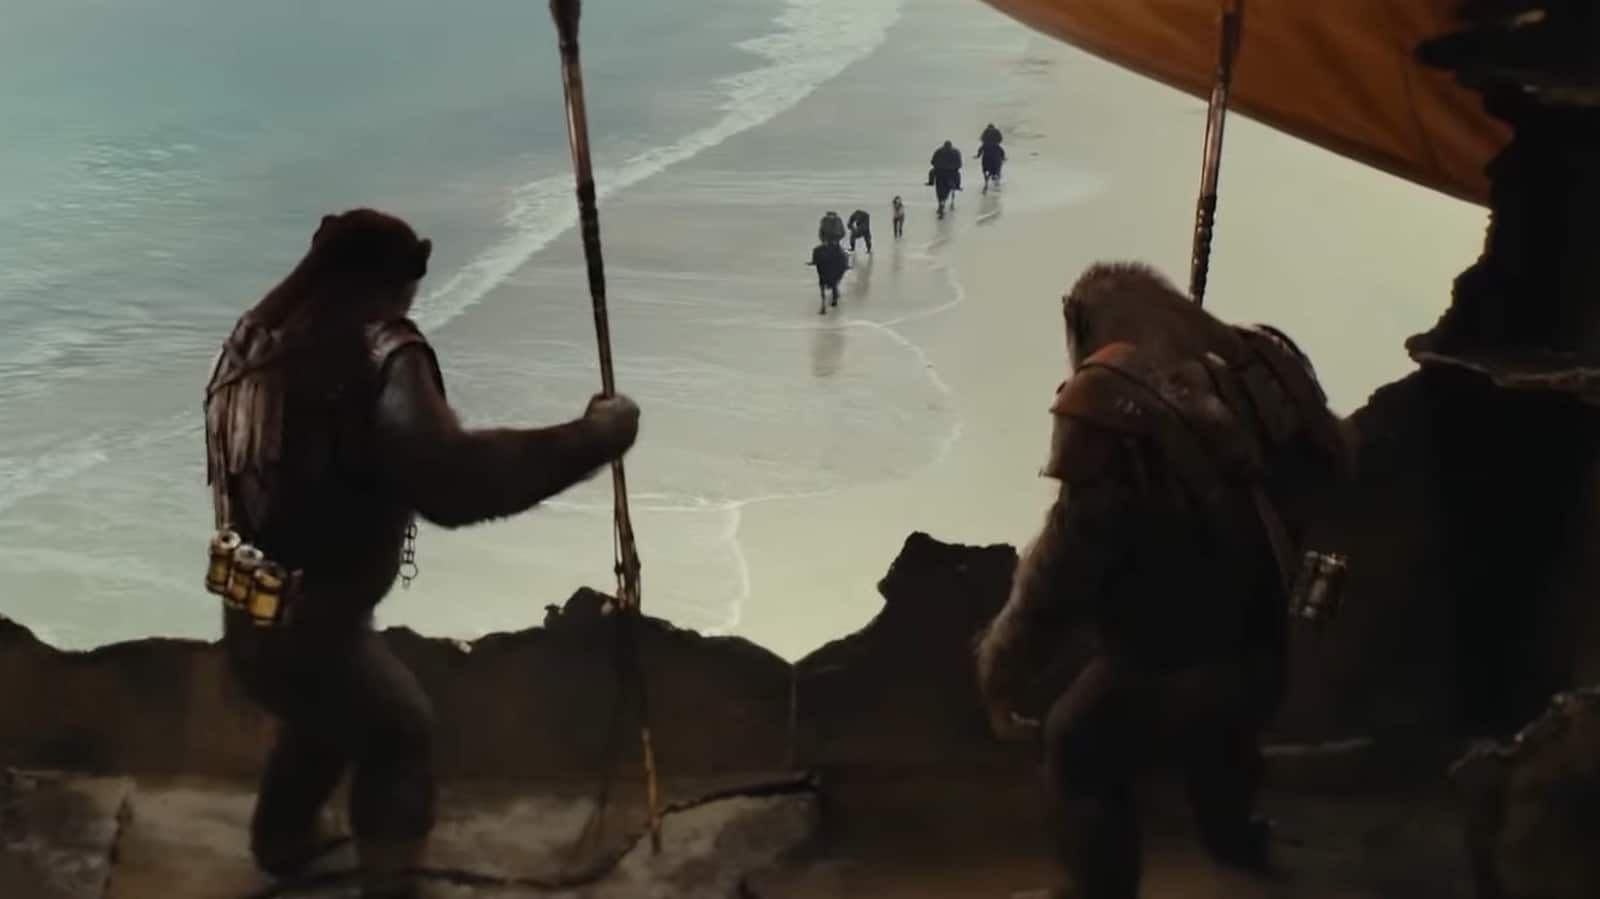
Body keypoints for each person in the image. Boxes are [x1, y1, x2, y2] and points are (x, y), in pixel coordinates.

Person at [202, 208, 641, 898]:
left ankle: (282, 841)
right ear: (398, 278)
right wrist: (595, 437)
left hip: (247, 610)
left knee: (326, 717)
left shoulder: (250, 339)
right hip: (316, 626)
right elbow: (457, 482)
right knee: (397, 731)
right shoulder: (380, 349)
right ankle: (389, 884)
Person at [974, 262, 1349, 899]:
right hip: (1265, 647)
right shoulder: (1265, 361)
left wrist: (1001, 664)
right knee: (1224, 734)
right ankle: (1238, 845)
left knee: (1077, 747)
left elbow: (1061, 566)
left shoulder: (1107, 400)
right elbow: (1335, 463)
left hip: (1165, 660)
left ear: (1079, 323)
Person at [808, 240, 850, 314]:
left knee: (824, 284)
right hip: (831, 268)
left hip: (824, 268)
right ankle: (832, 300)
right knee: (833, 283)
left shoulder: (820, 248)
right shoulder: (836, 249)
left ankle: (825, 302)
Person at [928, 140, 963, 217]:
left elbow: (932, 161)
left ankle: (931, 182)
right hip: (951, 172)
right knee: (958, 176)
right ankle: (957, 186)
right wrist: (955, 167)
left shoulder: (939, 151)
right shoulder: (955, 152)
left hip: (939, 171)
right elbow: (959, 164)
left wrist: (938, 165)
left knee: (931, 173)